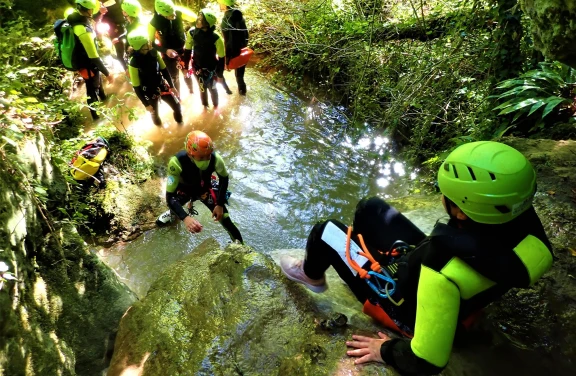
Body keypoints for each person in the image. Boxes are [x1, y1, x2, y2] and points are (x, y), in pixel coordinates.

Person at [280, 141, 553, 375]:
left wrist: (385, 350)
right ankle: (370, 256)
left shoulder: (441, 271)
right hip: (448, 277)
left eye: (447, 194)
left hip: (401, 302)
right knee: (369, 208)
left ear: (461, 212)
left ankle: (311, 275)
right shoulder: (521, 221)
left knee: (324, 231)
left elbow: (427, 361)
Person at [156, 130, 243, 243]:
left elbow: (224, 178)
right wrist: (185, 218)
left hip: (205, 189)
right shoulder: (177, 162)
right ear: (189, 154)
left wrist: (220, 204)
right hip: (184, 190)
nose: (206, 160)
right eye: (201, 158)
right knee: (175, 205)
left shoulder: (216, 159)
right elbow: (170, 197)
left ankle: (241, 247)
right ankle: (173, 214)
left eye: (208, 156)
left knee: (225, 219)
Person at [68, 0, 115, 120]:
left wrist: (100, 13)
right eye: (92, 9)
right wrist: (108, 73)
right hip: (86, 63)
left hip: (85, 60)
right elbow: (93, 56)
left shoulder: (77, 16)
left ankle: (104, 98)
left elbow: (89, 15)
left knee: (97, 81)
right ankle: (96, 118)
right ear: (88, 10)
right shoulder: (82, 30)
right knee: (91, 90)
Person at [127, 27, 183, 126]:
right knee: (154, 114)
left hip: (160, 84)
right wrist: (146, 105)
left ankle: (180, 125)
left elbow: (164, 70)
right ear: (139, 47)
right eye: (147, 43)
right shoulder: (134, 63)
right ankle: (160, 129)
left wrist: (172, 86)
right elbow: (136, 86)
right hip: (148, 91)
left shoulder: (154, 53)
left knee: (177, 106)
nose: (150, 44)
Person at [182, 9, 226, 109]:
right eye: (199, 17)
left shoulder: (216, 38)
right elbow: (187, 51)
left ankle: (216, 107)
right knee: (202, 89)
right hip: (197, 68)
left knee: (213, 89)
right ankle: (205, 107)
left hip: (212, 69)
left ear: (207, 24)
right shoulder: (192, 33)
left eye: (201, 19)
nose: (198, 19)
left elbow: (221, 58)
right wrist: (185, 67)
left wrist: (220, 75)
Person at [148, 0, 194, 94]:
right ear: (161, 14)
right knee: (174, 77)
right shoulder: (153, 23)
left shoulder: (178, 12)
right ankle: (178, 97)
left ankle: (192, 91)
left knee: (187, 73)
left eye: (173, 12)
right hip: (168, 54)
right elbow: (151, 43)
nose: (174, 16)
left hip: (183, 49)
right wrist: (165, 50)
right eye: (170, 15)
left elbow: (194, 19)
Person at [218, 0, 249, 95]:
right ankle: (242, 95)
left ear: (225, 4)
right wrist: (243, 46)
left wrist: (227, 60)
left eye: (220, 3)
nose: (219, 5)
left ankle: (228, 93)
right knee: (240, 76)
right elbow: (246, 35)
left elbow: (228, 41)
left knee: (218, 73)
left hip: (231, 52)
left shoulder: (225, 20)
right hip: (242, 51)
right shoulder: (240, 17)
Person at [98, 0, 128, 71]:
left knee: (124, 48)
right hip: (114, 27)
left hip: (123, 22)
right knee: (119, 53)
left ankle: (126, 64)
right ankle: (126, 69)